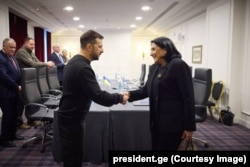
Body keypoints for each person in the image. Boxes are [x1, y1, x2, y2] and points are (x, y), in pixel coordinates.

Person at [57, 30, 129, 167]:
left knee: (73, 157)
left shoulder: (75, 62)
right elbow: (99, 96)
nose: (103, 50)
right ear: (89, 47)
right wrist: (120, 97)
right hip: (71, 121)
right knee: (73, 159)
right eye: (100, 46)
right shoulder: (82, 67)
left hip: (69, 118)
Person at [125, 37, 196, 150]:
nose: (150, 53)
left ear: (165, 50)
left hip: (173, 123)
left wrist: (189, 127)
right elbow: (146, 90)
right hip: (157, 122)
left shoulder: (178, 65)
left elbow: (188, 97)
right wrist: (128, 95)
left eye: (153, 49)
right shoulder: (154, 67)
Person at [15, 37, 55, 129]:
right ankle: (19, 123)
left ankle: (31, 120)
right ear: (25, 43)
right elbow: (32, 64)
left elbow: (37, 62)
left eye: (34, 44)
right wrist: (46, 64)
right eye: (31, 44)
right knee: (21, 103)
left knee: (31, 100)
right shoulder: (21, 52)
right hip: (22, 80)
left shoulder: (31, 52)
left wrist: (46, 64)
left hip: (29, 80)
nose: (32, 46)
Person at [0, 38, 24, 147]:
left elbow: (16, 73)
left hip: (15, 91)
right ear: (4, 46)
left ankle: (12, 134)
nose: (13, 49)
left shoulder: (12, 57)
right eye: (11, 47)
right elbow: (4, 76)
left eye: (14, 47)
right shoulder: (1, 58)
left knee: (15, 114)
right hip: (6, 92)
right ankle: (4, 139)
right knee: (8, 115)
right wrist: (16, 87)